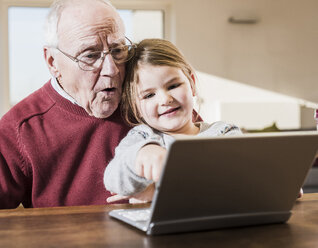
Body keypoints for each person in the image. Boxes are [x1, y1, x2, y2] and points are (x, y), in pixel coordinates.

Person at [0, 0, 134, 208]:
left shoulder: (151, 97)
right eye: (90, 55)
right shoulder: (19, 128)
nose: (112, 70)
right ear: (53, 62)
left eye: (117, 51)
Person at [104, 39, 242, 203]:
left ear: (191, 84)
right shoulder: (142, 138)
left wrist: (158, 191)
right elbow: (113, 180)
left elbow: (240, 180)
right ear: (135, 106)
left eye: (173, 86)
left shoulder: (224, 132)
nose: (165, 99)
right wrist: (140, 155)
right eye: (149, 95)